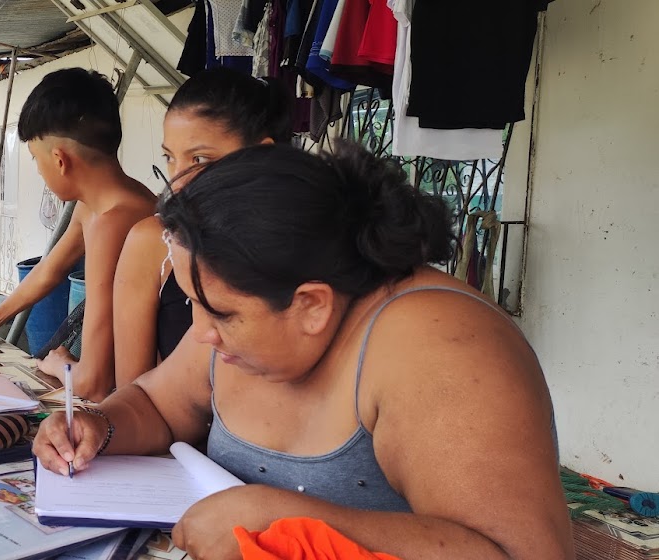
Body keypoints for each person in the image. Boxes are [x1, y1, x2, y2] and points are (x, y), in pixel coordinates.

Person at [34, 144, 573, 559]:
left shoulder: (440, 346)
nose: (201, 333)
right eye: (193, 304)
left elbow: (517, 555)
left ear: (312, 305)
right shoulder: (246, 308)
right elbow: (156, 404)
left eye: (219, 312)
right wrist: (99, 426)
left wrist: (279, 522)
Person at [36, 67, 293, 389]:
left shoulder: (307, 246)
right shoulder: (156, 243)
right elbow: (137, 398)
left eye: (199, 160)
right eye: (170, 158)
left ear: (261, 155)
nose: (178, 182)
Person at [0, 68, 156, 402]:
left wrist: (58, 365)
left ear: (60, 160)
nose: (38, 170)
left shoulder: (114, 222)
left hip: (142, 398)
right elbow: (50, 269)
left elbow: (93, 383)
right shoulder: (97, 205)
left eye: (35, 159)